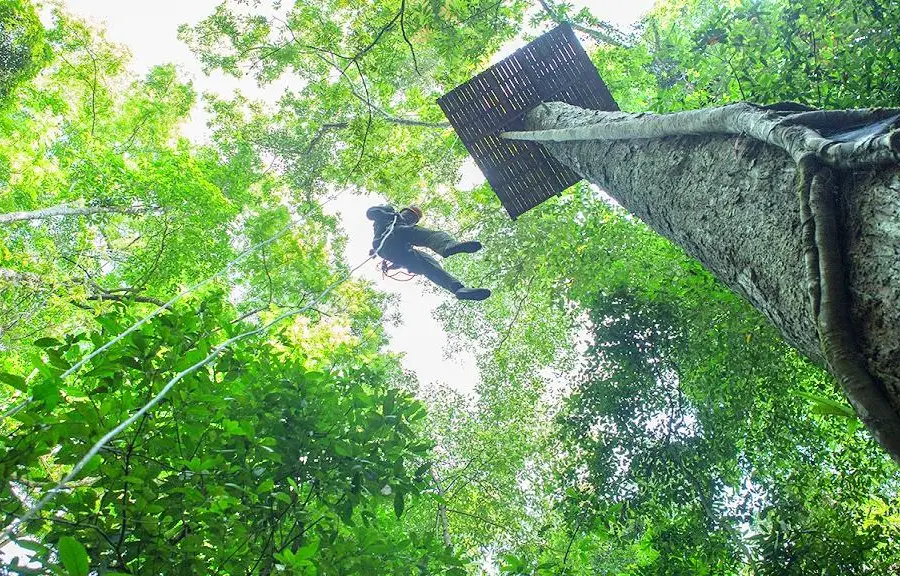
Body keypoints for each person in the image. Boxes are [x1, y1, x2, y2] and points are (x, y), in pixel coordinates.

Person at [367, 204, 491, 301]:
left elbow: (402, 259)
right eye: (409, 214)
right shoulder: (390, 215)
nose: (410, 218)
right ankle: (447, 246)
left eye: (413, 219)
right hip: (389, 237)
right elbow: (370, 212)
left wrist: (391, 267)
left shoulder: (407, 230)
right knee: (421, 234)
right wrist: (388, 212)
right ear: (402, 212)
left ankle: (458, 288)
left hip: (396, 250)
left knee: (427, 262)